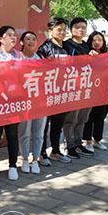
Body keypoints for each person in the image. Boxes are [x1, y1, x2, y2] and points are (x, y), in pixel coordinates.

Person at [0, 25, 23, 181]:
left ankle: (13, 165)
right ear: (1, 39)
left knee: (12, 134)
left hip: (14, 100)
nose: (13, 37)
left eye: (14, 35)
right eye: (9, 35)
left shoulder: (19, 55)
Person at [36, 17, 71, 164]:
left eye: (64, 30)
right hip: (47, 92)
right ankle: (41, 153)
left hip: (62, 92)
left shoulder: (67, 47)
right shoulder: (44, 48)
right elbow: (38, 70)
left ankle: (55, 151)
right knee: (44, 125)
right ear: (50, 31)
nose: (62, 32)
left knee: (58, 123)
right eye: (59, 30)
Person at [62, 17, 95, 159]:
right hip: (72, 87)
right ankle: (69, 146)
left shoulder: (87, 46)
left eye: (83, 27)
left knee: (82, 118)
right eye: (77, 27)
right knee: (71, 118)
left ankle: (78, 142)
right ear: (71, 29)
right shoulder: (66, 45)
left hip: (86, 87)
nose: (81, 30)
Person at [83, 31, 108, 152]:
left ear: (103, 42)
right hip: (89, 91)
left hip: (103, 92)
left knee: (101, 116)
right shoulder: (86, 55)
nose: (97, 42)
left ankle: (97, 140)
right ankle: (87, 141)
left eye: (99, 40)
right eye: (94, 40)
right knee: (89, 116)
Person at [17, 31, 45, 175]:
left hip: (39, 102)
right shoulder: (16, 58)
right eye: (28, 39)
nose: (31, 41)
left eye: (34, 39)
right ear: (21, 42)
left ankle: (35, 159)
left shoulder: (40, 58)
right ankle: (24, 158)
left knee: (38, 132)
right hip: (24, 102)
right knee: (25, 132)